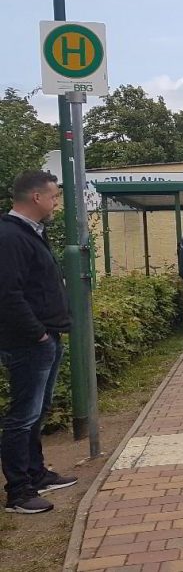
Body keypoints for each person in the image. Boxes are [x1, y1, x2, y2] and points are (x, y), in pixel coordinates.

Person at [0, 170, 77, 515]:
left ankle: (36, 472)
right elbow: (8, 293)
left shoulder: (30, 233)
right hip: (29, 341)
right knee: (22, 416)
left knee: (37, 412)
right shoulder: (10, 236)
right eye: (54, 196)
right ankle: (18, 490)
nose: (56, 202)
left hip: (44, 337)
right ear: (36, 197)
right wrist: (38, 333)